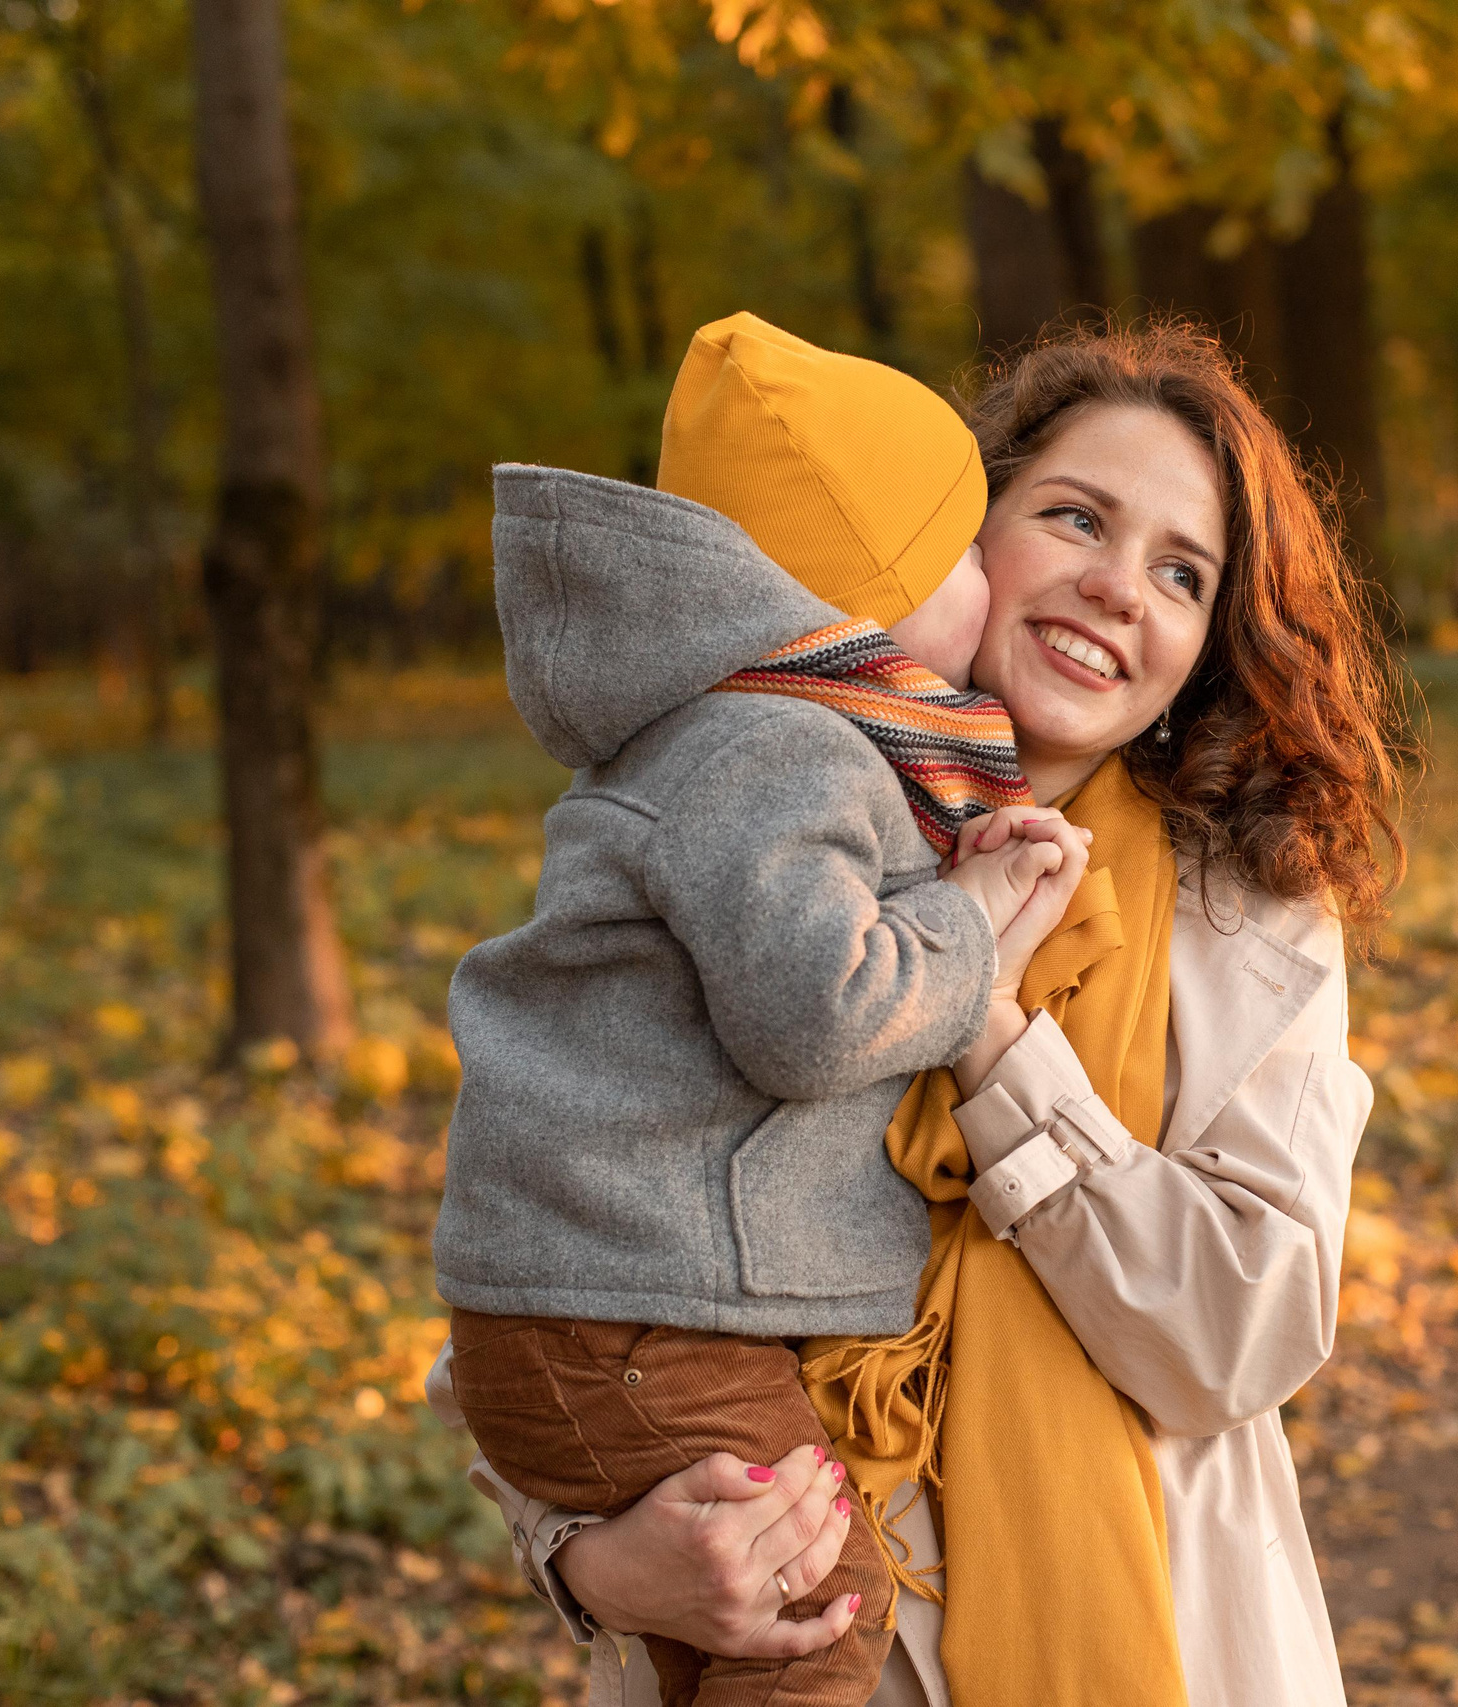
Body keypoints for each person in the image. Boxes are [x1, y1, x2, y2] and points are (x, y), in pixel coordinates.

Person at [443, 320, 1408, 1707]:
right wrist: (592, 1562)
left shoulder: (1250, 919)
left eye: (1181, 572)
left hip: (1156, 1636)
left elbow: (1239, 1336)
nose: (1115, 586)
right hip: (793, 1646)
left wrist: (995, 1041)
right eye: (1075, 517)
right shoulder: (753, 818)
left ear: (1202, 646)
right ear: (960, 537)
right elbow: (552, 1262)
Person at [430, 312, 1091, 1705]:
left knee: (768, 1630)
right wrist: (969, 926)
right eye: (963, 552)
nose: (992, 577)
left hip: (615, 1309)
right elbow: (817, 1013)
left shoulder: (757, 732)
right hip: (633, 1326)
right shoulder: (779, 749)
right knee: (814, 1624)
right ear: (868, 593)